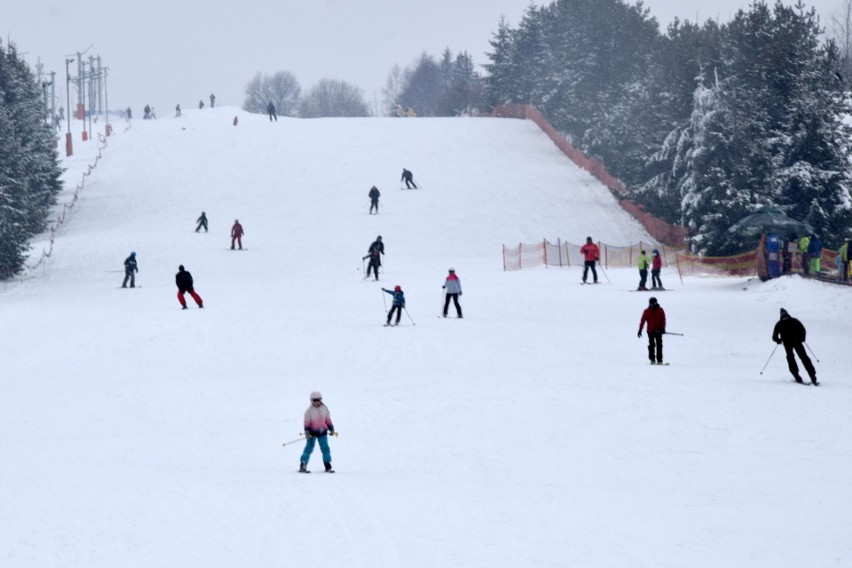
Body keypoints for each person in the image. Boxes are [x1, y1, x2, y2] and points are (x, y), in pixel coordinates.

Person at [772, 308, 818, 385]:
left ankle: (812, 375)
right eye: (783, 317)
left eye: (786, 316)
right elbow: (774, 335)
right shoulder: (779, 324)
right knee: (790, 357)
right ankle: (795, 374)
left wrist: (802, 338)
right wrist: (778, 340)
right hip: (787, 343)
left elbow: (803, 330)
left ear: (788, 315)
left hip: (797, 342)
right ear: (781, 316)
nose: (785, 318)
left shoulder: (794, 321)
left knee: (804, 357)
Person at [299, 391, 335, 473]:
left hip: (322, 433)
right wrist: (307, 432)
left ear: (320, 400)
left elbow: (328, 420)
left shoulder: (324, 408)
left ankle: (327, 464)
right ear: (311, 401)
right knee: (309, 448)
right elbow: (306, 423)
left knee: (325, 448)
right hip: (312, 434)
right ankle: (303, 464)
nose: (316, 402)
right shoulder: (309, 411)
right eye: (314, 400)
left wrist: (331, 429)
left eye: (318, 400)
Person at [638, 296, 666, 365]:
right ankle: (652, 359)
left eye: (653, 304)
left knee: (659, 345)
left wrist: (663, 328)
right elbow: (643, 321)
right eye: (651, 304)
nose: (652, 305)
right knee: (651, 345)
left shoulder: (660, 310)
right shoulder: (647, 311)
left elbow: (663, 319)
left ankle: (659, 360)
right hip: (650, 331)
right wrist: (640, 330)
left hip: (658, 331)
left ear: (656, 303)